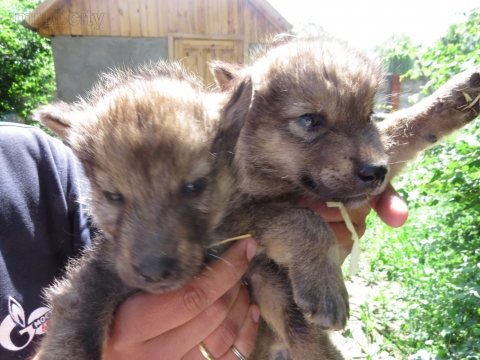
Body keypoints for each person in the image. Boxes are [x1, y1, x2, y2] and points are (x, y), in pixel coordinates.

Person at [0, 123, 407, 360]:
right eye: (115, 196)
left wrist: (361, 164)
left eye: (192, 186)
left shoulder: (36, 163)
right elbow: (84, 295)